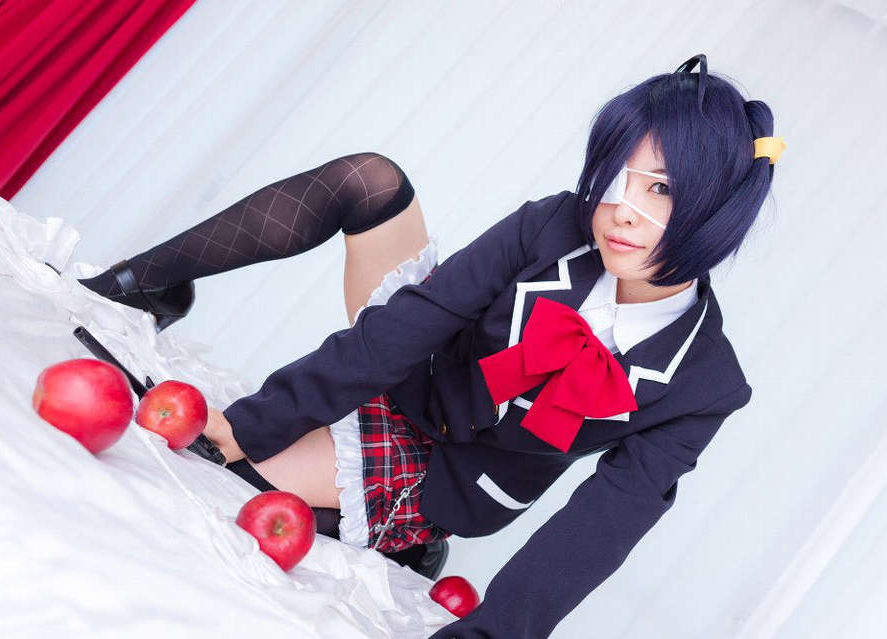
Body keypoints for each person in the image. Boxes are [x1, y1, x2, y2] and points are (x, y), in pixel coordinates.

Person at [78, 53, 784, 638]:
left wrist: (486, 634)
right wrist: (255, 419)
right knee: (369, 180)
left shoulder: (706, 386)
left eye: (660, 188)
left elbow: (600, 526)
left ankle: (403, 536)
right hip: (413, 366)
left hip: (444, 469)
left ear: (719, 212)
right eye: (616, 176)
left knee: (227, 482)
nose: (621, 210)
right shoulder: (555, 225)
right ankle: (138, 286)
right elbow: (418, 319)